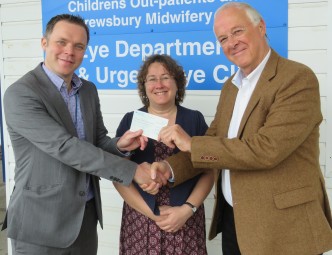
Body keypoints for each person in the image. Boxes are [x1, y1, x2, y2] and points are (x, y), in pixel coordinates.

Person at [147, 2, 332, 255]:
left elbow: (266, 149)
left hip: (284, 229)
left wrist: (191, 143)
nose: (231, 42)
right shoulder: (230, 87)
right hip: (236, 223)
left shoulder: (296, 78)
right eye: (223, 38)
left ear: (261, 27)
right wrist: (169, 168)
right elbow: (211, 146)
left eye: (237, 31)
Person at [2, 14, 162, 255]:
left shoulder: (87, 90)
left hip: (84, 219)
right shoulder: (21, 94)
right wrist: (132, 172)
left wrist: (120, 145)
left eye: (79, 46)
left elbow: (96, 142)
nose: (70, 51)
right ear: (44, 43)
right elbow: (65, 147)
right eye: (61, 42)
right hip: (40, 224)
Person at [113, 54, 214, 254]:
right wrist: (153, 216)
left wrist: (187, 210)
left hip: (185, 222)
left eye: (166, 77)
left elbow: (209, 171)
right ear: (144, 86)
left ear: (178, 83)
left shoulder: (194, 119)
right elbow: (118, 176)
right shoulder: (130, 120)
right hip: (141, 222)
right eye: (152, 79)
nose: (159, 84)